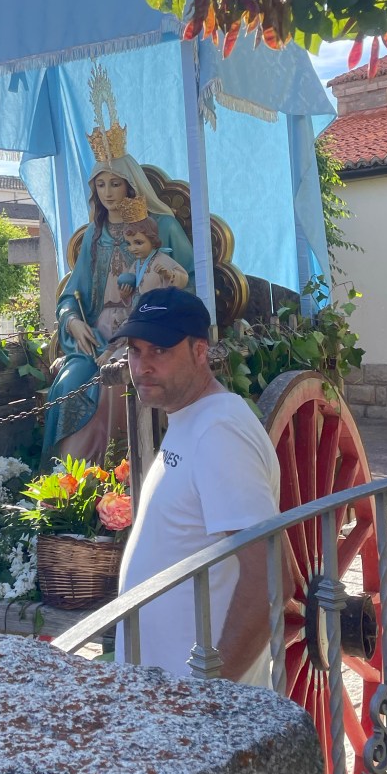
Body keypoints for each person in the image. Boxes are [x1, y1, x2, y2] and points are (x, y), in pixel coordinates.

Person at [113, 288, 279, 685]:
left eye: (160, 351)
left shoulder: (219, 431)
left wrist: (210, 695)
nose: (142, 366)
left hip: (196, 717)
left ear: (199, 351)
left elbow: (269, 577)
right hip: (163, 707)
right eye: (136, 351)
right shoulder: (192, 418)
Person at [42, 154, 194, 465]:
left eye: (115, 183)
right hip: (96, 336)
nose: (108, 192)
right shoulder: (94, 236)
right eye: (100, 184)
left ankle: (120, 470)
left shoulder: (162, 226)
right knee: (70, 383)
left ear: (131, 185)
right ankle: (69, 479)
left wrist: (158, 310)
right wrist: (72, 322)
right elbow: (72, 293)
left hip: (147, 330)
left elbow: (192, 279)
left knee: (115, 378)